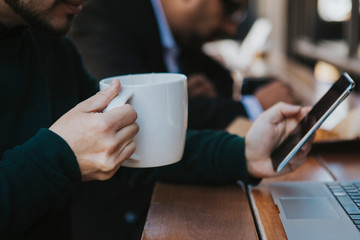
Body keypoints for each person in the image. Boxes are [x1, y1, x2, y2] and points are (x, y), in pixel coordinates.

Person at [0, 0, 310, 239]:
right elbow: (63, 155)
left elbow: (138, 142)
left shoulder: (54, 49)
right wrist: (59, 157)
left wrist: (244, 153)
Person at [69, 0, 298, 130]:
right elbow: (136, 114)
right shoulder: (104, 16)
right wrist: (254, 105)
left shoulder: (177, 34)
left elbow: (220, 81)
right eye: (229, 10)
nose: (231, 29)